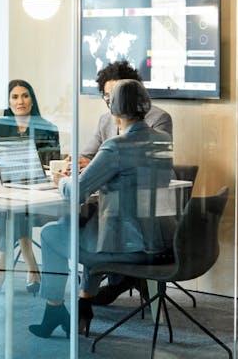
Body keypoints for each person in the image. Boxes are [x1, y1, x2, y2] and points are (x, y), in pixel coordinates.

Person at [28, 79, 173, 338]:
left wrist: (60, 180)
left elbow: (76, 192)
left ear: (114, 110)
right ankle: (83, 304)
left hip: (122, 246)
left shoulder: (115, 147)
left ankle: (54, 309)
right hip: (157, 242)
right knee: (78, 226)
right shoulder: (162, 140)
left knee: (50, 234)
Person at [77, 60, 173, 305]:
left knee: (68, 233)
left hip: (136, 223)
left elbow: (142, 164)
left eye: (116, 94)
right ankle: (103, 288)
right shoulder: (106, 122)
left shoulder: (158, 121)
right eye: (107, 95)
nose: (111, 101)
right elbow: (88, 155)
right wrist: (89, 164)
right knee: (90, 224)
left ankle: (81, 305)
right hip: (135, 223)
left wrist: (95, 169)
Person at [0, 79, 60, 294]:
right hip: (8, 191)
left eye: (25, 96)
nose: (20, 101)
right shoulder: (2, 125)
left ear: (32, 100)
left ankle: (1, 266)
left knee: (15, 211)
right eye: (15, 97)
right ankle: (32, 267)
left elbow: (51, 163)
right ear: (9, 102)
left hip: (37, 195)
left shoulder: (47, 128)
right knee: (14, 209)